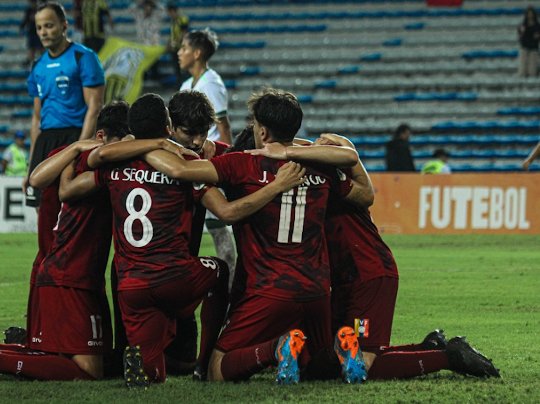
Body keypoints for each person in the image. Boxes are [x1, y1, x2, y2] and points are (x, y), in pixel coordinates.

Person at [60, 93, 306, 386]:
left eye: (204, 133)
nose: (196, 141)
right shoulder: (189, 165)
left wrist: (74, 151)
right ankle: (201, 363)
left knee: (160, 364)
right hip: (178, 274)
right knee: (219, 274)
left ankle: (141, 358)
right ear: (169, 128)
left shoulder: (119, 158)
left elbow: (80, 176)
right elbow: (226, 210)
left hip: (138, 277)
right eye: (189, 133)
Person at [135, 88, 377, 385]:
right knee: (314, 366)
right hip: (316, 292)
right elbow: (363, 190)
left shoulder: (242, 164)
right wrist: (293, 150)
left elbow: (183, 169)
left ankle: (275, 349)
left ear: (261, 131)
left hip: (269, 291)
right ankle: (340, 352)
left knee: (217, 369)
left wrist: (146, 144)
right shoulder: (320, 166)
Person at [0, 102, 132, 383]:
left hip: (63, 271)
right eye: (124, 142)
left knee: (88, 359)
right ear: (102, 137)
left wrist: (78, 146)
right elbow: (37, 180)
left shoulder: (64, 156)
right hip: (69, 275)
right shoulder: (97, 160)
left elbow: (36, 179)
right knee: (89, 373)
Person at [318, 133, 500, 381]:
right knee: (331, 360)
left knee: (359, 364)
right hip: (350, 277)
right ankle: (430, 347)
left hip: (368, 276)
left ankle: (450, 357)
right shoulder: (343, 181)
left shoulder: (329, 183)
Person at [24, 1, 105, 211]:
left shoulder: (83, 57)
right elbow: (36, 117)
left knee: (73, 209)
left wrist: (79, 147)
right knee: (42, 208)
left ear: (64, 26)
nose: (43, 32)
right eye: (39, 28)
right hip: (46, 140)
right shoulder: (37, 66)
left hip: (74, 136)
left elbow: (95, 107)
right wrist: (31, 164)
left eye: (49, 26)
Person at [178, 29, 236, 295]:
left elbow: (222, 126)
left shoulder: (210, 83)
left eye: (184, 48)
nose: (179, 52)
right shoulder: (187, 85)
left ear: (197, 53)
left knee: (218, 228)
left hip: (209, 163)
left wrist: (227, 168)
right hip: (189, 163)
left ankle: (231, 283)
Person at [128, 0, 165, 80]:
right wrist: (140, 2)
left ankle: (154, 79)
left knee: (154, 65)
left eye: (149, 8)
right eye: (146, 8)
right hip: (142, 45)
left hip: (153, 44)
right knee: (142, 66)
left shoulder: (156, 18)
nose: (148, 10)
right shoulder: (139, 17)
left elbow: (163, 10)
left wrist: (155, 2)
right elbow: (130, 10)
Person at [166, 3, 189, 86]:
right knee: (177, 70)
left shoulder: (182, 19)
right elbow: (173, 34)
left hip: (182, 48)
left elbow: (183, 33)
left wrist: (175, 43)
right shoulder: (173, 22)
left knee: (186, 69)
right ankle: (180, 87)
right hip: (175, 49)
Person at [517, 6, 540, 77]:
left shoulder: (537, 26)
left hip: (533, 50)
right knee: (522, 71)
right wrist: (522, 32)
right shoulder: (522, 25)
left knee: (532, 72)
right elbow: (519, 39)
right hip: (524, 49)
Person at [20, 0, 44, 65]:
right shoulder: (29, 11)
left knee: (41, 49)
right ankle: (32, 64)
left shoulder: (41, 10)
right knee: (31, 49)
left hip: (40, 33)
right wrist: (21, 28)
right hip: (32, 32)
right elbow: (25, 20)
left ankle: (43, 63)